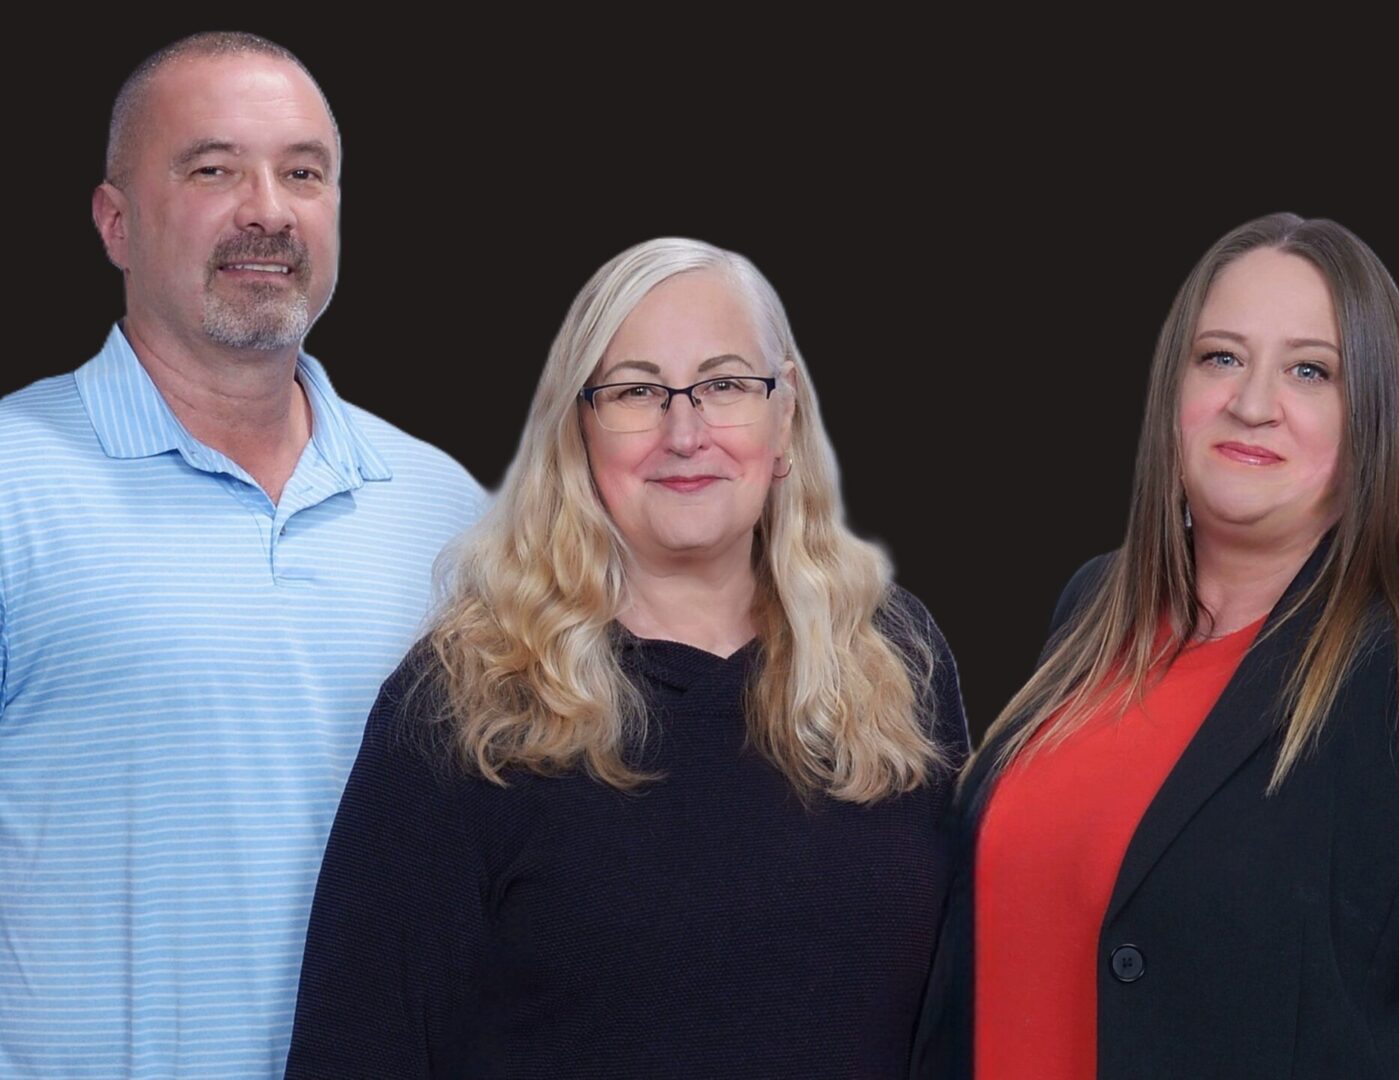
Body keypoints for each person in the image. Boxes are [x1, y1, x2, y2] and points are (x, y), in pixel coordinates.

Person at [282, 237, 969, 1078]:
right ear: (580, 429)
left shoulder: (893, 661)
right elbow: (354, 1053)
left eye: (724, 385)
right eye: (638, 391)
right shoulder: (465, 700)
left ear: (784, 411)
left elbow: (958, 1024)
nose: (686, 434)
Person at [0, 32, 487, 1078]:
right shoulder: (13, 485)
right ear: (116, 222)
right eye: (214, 168)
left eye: (303, 173)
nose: (269, 209)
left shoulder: (451, 515)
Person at [910, 212, 1399, 1079]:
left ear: (1373, 413)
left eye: (1311, 370)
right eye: (1221, 357)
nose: (1253, 402)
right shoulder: (1093, 608)